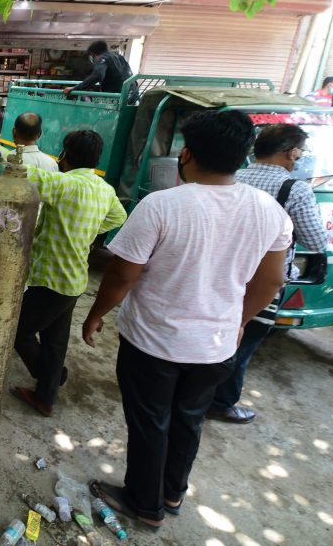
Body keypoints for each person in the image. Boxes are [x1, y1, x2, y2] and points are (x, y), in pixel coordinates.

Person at [81, 110, 291, 530]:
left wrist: (95, 314)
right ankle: (173, 492)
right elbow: (271, 282)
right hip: (215, 347)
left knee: (150, 423)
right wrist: (240, 321)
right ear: (242, 156)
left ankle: (145, 504)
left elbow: (123, 274)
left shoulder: (161, 205)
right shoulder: (268, 211)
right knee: (189, 419)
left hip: (153, 344)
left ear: (187, 154)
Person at [207, 124, 326, 424]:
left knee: (211, 333)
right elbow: (315, 241)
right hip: (262, 282)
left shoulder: (230, 175)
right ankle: (219, 402)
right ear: (292, 153)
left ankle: (193, 392)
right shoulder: (294, 189)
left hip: (220, 271)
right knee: (241, 343)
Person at [9, 130, 126, 416]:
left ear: (65, 155)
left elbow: (17, 171)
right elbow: (118, 217)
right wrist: (87, 229)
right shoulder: (105, 190)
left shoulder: (62, 183)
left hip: (51, 281)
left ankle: (49, 375)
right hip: (74, 281)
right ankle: (45, 397)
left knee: (17, 331)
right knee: (55, 340)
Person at [62, 40, 132, 97]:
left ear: (94, 54)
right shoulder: (118, 56)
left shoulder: (102, 58)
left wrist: (76, 88)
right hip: (132, 94)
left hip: (118, 96)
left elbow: (98, 75)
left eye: (91, 56)